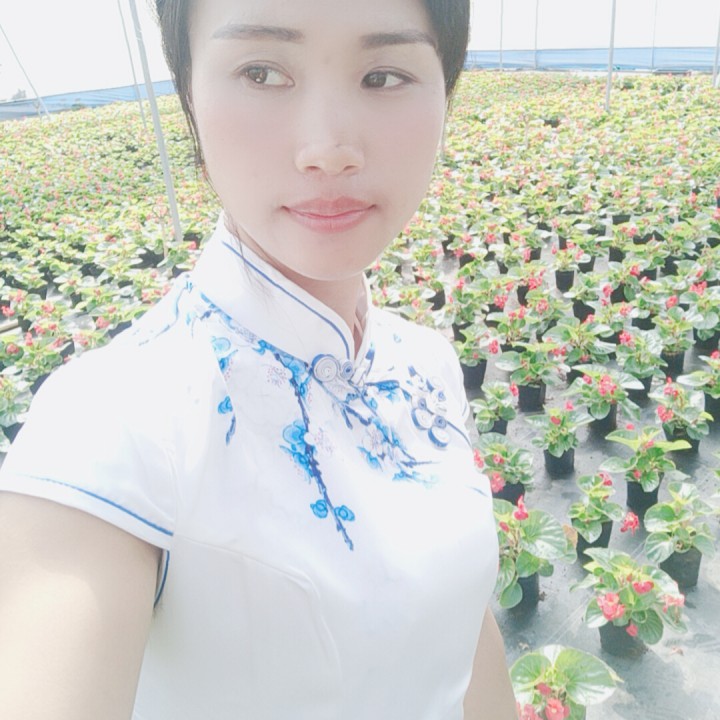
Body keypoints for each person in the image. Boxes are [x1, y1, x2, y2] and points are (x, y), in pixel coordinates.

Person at [0, 0, 518, 717]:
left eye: (383, 76)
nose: (328, 148)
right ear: (189, 93)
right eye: (262, 73)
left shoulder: (424, 362)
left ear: (446, 92)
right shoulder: (114, 423)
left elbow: (461, 631)